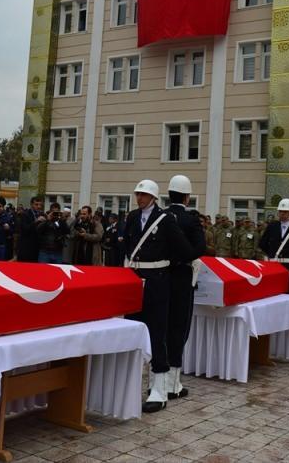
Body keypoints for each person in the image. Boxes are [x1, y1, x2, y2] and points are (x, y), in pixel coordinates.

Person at [121, 179, 192, 413]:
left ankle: (159, 390)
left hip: (158, 281)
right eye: (137, 193)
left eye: (143, 194)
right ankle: (130, 384)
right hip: (134, 280)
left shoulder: (165, 220)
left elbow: (184, 250)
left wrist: (168, 266)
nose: (139, 198)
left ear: (153, 197)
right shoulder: (131, 218)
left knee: (157, 332)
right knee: (132, 329)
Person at [164, 175, 205, 401]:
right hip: (181, 277)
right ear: (187, 197)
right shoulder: (190, 220)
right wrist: (183, 256)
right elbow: (200, 247)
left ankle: (158, 379)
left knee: (162, 328)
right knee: (179, 328)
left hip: (161, 277)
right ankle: (173, 384)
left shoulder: (160, 216)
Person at [15, 195, 46, 262]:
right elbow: (25, 229)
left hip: (36, 248)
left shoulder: (42, 215)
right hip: (25, 248)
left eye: (40, 205)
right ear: (31, 204)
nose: (38, 206)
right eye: (36, 204)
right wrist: (36, 221)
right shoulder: (25, 214)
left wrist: (47, 221)